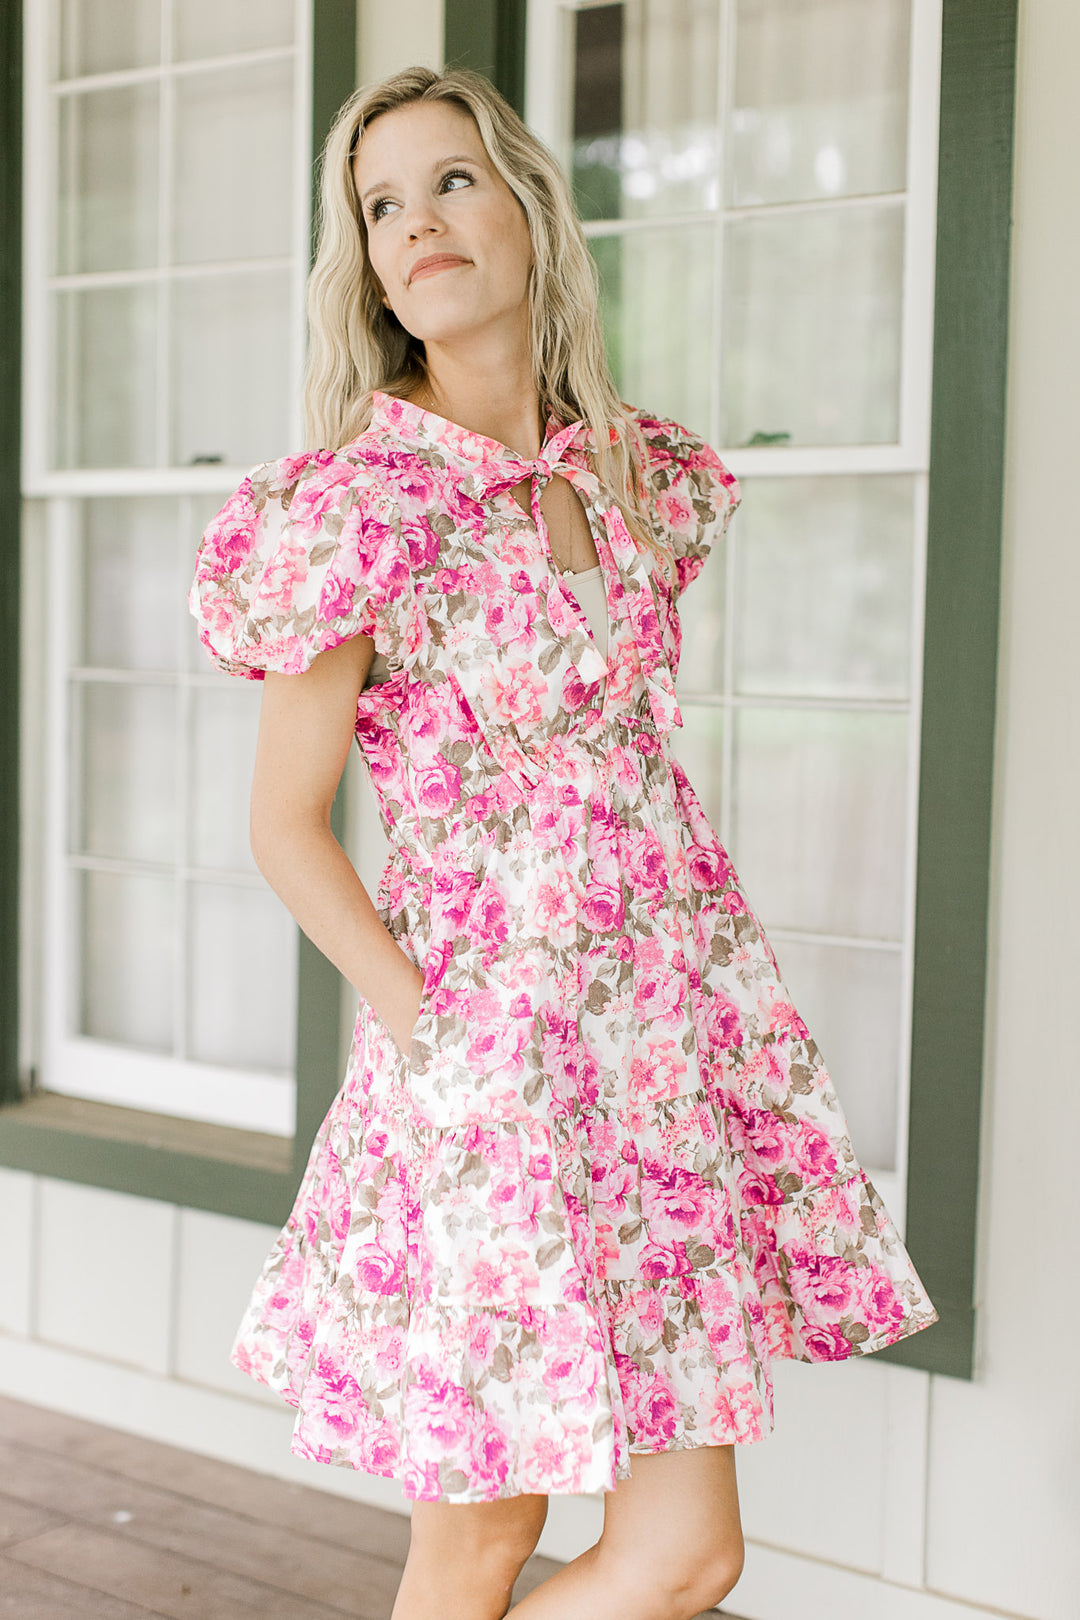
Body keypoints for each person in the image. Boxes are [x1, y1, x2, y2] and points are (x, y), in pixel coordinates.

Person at [188, 64, 938, 1620]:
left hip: (661, 1052)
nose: (416, 225)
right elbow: (285, 826)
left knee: (687, 1558)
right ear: (368, 268)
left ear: (528, 207)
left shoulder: (633, 475)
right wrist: (431, 1033)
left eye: (450, 182)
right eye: (380, 206)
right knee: (474, 1539)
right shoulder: (357, 506)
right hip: (489, 1063)